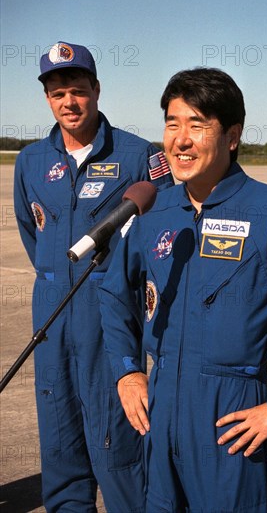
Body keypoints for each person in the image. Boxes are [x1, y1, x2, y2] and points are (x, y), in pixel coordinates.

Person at [99, 68, 267, 512]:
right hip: (159, 416)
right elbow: (114, 293)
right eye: (172, 123)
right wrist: (127, 370)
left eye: (197, 125)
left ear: (232, 136)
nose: (180, 139)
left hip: (228, 421)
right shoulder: (153, 212)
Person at [13, 41, 174, 512]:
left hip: (110, 316)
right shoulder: (30, 162)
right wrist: (57, 277)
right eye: (58, 93)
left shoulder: (139, 155)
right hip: (51, 315)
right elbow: (33, 233)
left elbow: (160, 241)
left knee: (118, 436)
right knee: (59, 433)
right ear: (47, 99)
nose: (69, 102)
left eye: (78, 90)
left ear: (97, 90)